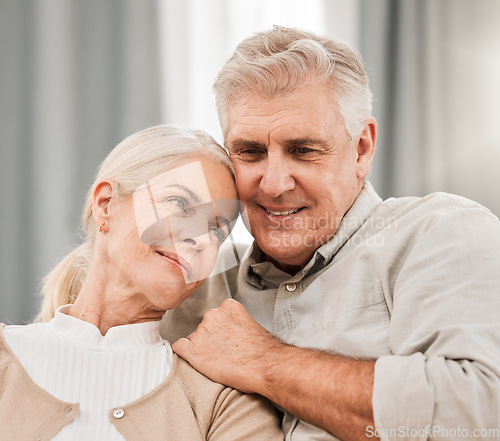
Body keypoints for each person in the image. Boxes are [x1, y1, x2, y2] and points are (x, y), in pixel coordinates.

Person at [161, 26, 500, 441]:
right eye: (250, 151)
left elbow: (480, 413)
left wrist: (266, 362)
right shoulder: (196, 282)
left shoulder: (438, 233)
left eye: (303, 150)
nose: (273, 184)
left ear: (361, 149)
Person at [0, 125, 284, 441]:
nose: (200, 238)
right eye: (179, 203)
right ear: (106, 205)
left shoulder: (226, 403)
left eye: (217, 231)